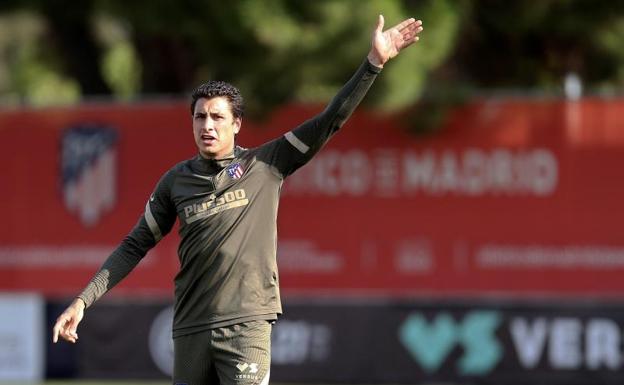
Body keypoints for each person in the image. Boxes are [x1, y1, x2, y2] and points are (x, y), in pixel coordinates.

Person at [53, 14, 423, 385]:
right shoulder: (175, 181)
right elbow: (134, 245)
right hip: (190, 329)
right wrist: (83, 301)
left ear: (236, 124)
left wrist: (373, 64)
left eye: (217, 117)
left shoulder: (266, 163)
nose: (207, 126)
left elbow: (331, 119)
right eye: (199, 117)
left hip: (245, 326)